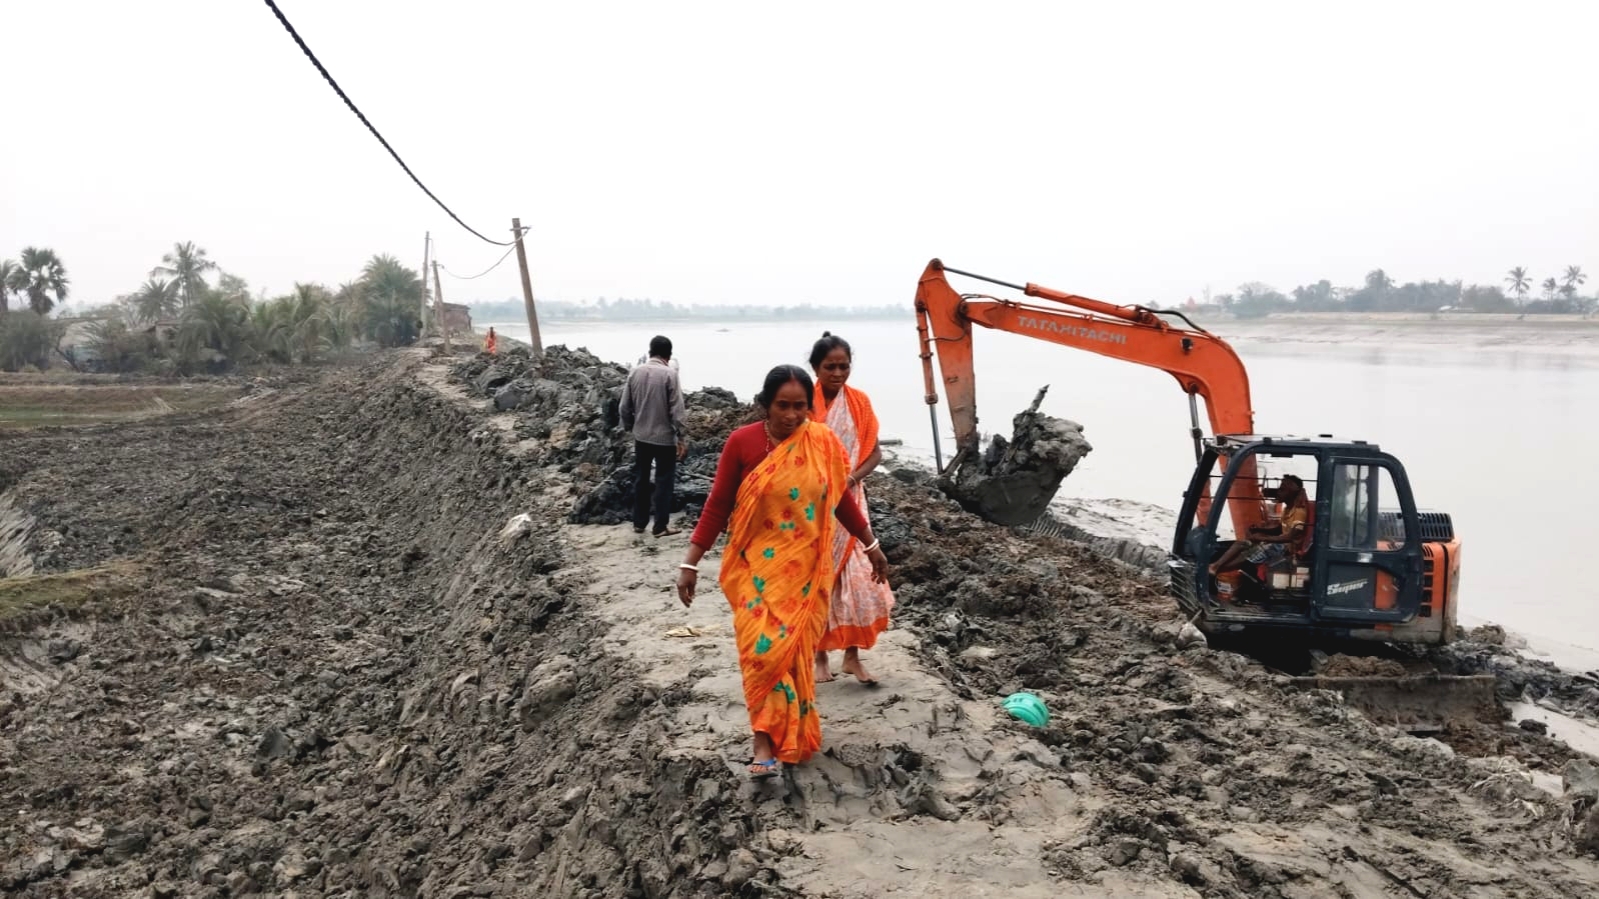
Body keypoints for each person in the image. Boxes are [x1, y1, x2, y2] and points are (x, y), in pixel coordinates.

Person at [677, 364, 890, 778]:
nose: (792, 416)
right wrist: (690, 562)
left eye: (800, 407)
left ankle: (786, 735)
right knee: (761, 653)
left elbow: (840, 500)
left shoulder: (823, 444)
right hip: (754, 569)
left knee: (791, 655)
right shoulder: (742, 444)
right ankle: (762, 739)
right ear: (764, 406)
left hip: (807, 572)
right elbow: (718, 506)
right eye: (783, 407)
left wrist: (871, 544)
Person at [807, 332, 895, 686]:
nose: (839, 373)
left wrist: (852, 478)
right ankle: (818, 656)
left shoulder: (858, 403)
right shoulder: (805, 404)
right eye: (831, 367)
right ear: (816, 368)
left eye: (845, 366)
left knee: (859, 580)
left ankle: (852, 656)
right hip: (812, 506)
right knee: (817, 579)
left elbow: (875, 451)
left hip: (852, 501)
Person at [618, 336, 688, 537]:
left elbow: (624, 407)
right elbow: (678, 410)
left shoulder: (635, 372)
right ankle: (660, 527)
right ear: (669, 355)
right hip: (665, 439)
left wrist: (631, 426)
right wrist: (682, 437)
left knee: (641, 478)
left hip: (641, 437)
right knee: (663, 481)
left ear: (650, 351)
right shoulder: (670, 375)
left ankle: (639, 523)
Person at [1208, 474, 1309, 577]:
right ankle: (1215, 566)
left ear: (1291, 493)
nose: (1278, 492)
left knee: (1250, 553)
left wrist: (1264, 538)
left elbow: (1290, 537)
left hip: (1287, 549)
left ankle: (1215, 570)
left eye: (1282, 489)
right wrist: (1260, 530)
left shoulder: (1299, 511)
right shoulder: (1287, 509)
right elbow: (1279, 529)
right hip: (1279, 544)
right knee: (1242, 543)